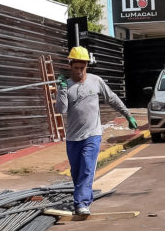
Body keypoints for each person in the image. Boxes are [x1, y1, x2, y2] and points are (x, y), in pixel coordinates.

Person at [55, 45, 138, 216]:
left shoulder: (96, 81)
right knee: (77, 172)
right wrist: (62, 89)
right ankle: (85, 197)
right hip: (73, 137)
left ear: (87, 66)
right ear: (70, 65)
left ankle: (81, 204)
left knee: (87, 167)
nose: (79, 71)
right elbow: (61, 110)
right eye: (76, 67)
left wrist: (127, 115)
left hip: (92, 134)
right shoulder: (66, 85)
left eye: (82, 67)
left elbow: (112, 98)